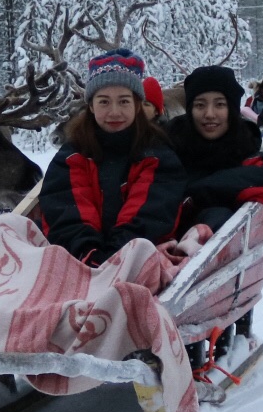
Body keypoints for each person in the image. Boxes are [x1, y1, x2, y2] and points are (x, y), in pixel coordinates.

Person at [37, 49, 186, 265]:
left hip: (137, 262)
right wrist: (89, 253)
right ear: (91, 105)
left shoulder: (158, 155)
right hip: (81, 260)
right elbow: (66, 208)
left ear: (137, 105)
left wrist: (114, 258)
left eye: (124, 101)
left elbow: (150, 214)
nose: (114, 112)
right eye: (104, 102)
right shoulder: (73, 155)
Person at [165, 65, 263, 233]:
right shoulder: (170, 143)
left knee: (219, 214)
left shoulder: (244, 144)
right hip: (162, 234)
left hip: (208, 236)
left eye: (219, 104)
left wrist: (198, 190)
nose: (209, 114)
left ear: (232, 109)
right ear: (190, 110)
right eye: (200, 105)